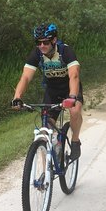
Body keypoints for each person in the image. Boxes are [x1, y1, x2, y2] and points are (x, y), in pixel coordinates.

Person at [11, 22, 83, 160]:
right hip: (52, 90)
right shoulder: (37, 54)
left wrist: (72, 97)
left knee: (74, 111)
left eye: (45, 42)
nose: (41, 46)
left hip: (70, 87)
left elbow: (74, 75)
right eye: (38, 43)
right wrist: (17, 97)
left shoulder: (65, 51)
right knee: (45, 129)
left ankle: (75, 141)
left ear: (54, 40)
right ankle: (44, 173)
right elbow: (25, 77)